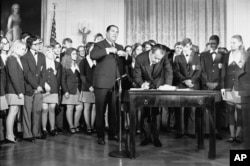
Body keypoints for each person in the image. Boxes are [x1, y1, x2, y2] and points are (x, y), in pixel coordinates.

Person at [90, 25, 131, 145]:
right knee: (100, 111)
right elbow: (93, 55)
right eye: (113, 31)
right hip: (102, 84)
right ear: (107, 32)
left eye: (117, 32)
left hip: (116, 84)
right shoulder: (99, 44)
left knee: (114, 112)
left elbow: (127, 63)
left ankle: (113, 134)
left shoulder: (119, 47)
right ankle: (100, 136)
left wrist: (126, 55)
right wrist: (107, 50)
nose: (115, 33)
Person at [133, 44, 173, 147]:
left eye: (159, 59)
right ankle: (146, 137)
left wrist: (167, 86)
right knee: (145, 111)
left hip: (158, 85)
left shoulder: (163, 56)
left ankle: (156, 138)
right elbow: (137, 75)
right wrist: (141, 84)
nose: (157, 61)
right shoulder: (140, 58)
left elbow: (169, 71)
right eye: (155, 58)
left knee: (156, 112)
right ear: (151, 52)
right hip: (145, 86)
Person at [222, 35, 249, 143]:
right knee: (229, 110)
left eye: (233, 42)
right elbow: (223, 71)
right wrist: (222, 86)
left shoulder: (246, 55)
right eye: (230, 42)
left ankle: (238, 135)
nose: (231, 44)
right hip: (228, 85)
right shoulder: (227, 55)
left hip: (241, 86)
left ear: (240, 43)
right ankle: (231, 135)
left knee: (240, 110)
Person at [173, 38, 201, 139]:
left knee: (192, 108)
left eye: (187, 46)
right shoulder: (177, 58)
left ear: (190, 46)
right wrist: (185, 80)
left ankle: (191, 131)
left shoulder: (197, 57)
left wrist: (191, 81)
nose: (185, 48)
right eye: (184, 47)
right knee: (181, 109)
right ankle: (180, 131)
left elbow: (198, 71)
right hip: (181, 85)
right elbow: (176, 72)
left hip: (193, 85)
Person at [21, 35, 46, 142]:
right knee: (27, 112)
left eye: (40, 43)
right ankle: (27, 134)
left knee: (37, 111)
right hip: (28, 88)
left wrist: (40, 86)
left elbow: (43, 73)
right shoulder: (24, 56)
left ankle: (36, 132)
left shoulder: (41, 55)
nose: (39, 45)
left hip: (39, 89)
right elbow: (27, 74)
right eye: (37, 44)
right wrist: (36, 86)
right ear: (30, 45)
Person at [200, 35, 226, 139]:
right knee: (206, 109)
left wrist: (218, 84)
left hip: (218, 87)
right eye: (210, 43)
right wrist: (207, 83)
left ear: (218, 44)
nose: (212, 45)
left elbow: (224, 72)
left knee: (217, 110)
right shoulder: (203, 55)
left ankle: (217, 132)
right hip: (206, 86)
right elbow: (201, 71)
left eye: (214, 43)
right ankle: (207, 132)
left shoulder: (224, 55)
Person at [5, 40, 26, 143]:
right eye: (22, 49)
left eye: (24, 49)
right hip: (13, 90)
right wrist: (19, 92)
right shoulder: (12, 59)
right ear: (16, 48)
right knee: (12, 111)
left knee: (15, 111)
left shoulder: (17, 59)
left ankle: (11, 134)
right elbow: (14, 77)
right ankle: (9, 135)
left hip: (16, 90)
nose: (24, 51)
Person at [61, 48, 83, 134]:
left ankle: (76, 124)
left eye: (76, 54)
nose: (75, 55)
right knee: (70, 108)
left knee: (80, 107)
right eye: (73, 54)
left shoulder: (78, 64)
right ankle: (71, 126)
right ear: (68, 55)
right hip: (69, 89)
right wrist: (65, 91)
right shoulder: (64, 65)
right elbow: (63, 80)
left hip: (78, 89)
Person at [41, 46, 61, 138]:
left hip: (54, 89)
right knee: (44, 109)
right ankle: (44, 129)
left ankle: (52, 128)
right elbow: (40, 76)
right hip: (44, 89)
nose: (51, 53)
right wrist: (44, 84)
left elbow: (58, 79)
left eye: (52, 52)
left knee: (52, 109)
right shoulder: (42, 63)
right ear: (45, 53)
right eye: (49, 52)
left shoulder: (57, 64)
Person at [79, 42, 96, 134]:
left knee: (94, 108)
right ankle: (88, 126)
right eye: (92, 48)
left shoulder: (97, 60)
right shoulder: (83, 61)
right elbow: (82, 76)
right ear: (88, 49)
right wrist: (89, 86)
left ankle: (92, 126)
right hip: (87, 88)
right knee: (87, 107)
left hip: (96, 87)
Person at [0, 37, 10, 143]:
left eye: (6, 43)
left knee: (7, 111)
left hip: (9, 87)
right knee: (2, 112)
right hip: (2, 86)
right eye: (2, 43)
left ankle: (7, 133)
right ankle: (1, 135)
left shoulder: (10, 56)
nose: (4, 45)